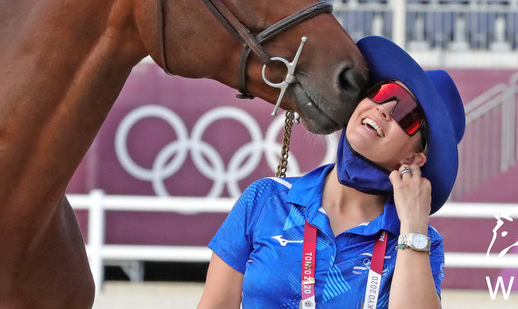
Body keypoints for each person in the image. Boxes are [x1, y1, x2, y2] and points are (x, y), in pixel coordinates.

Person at [197, 35, 466, 309]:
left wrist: (411, 226)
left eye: (407, 115)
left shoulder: (421, 240)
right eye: (383, 93)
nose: (384, 110)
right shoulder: (265, 198)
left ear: (415, 157)